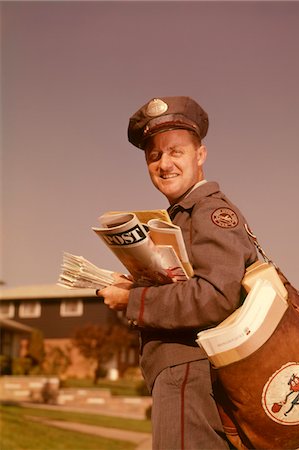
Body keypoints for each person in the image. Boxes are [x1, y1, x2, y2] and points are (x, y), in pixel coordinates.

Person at [97, 96, 257, 450]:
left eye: (176, 152)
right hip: (185, 376)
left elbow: (216, 296)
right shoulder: (180, 216)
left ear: (200, 156)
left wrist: (132, 300)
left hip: (191, 375)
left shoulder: (209, 211)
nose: (164, 164)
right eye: (154, 156)